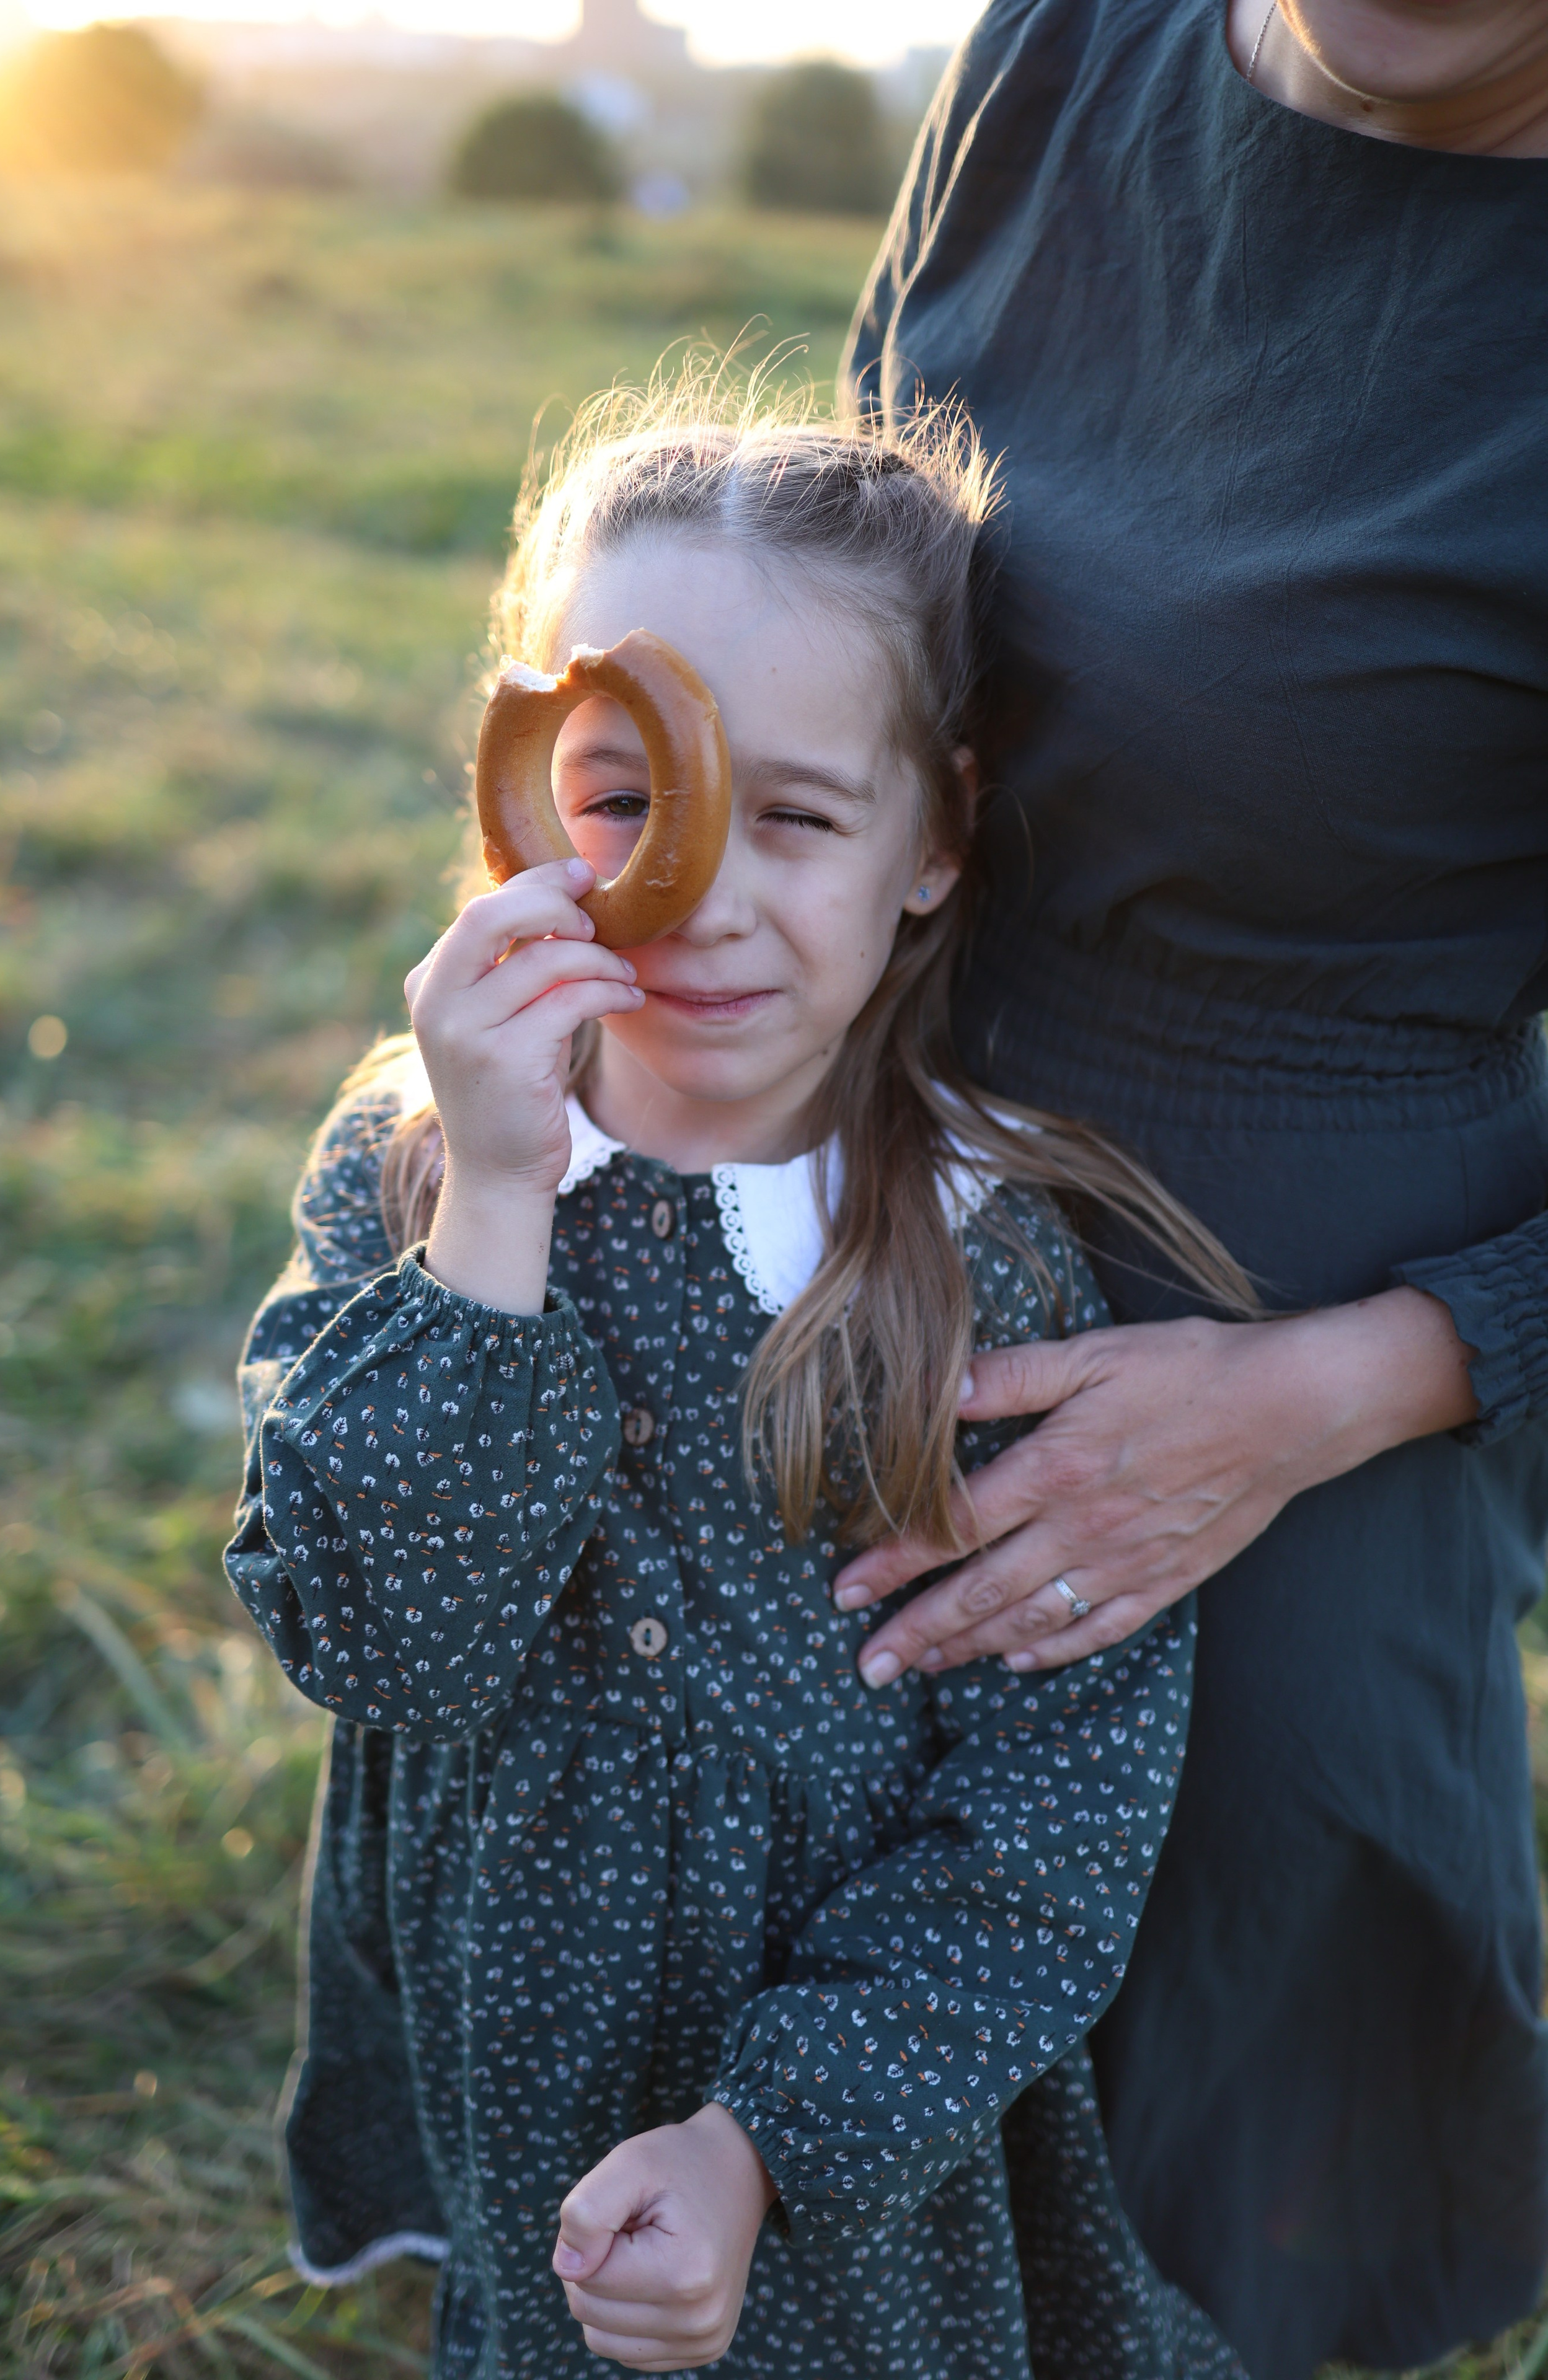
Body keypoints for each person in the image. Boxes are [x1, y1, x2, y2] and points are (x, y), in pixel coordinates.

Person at [226, 386, 1260, 2376]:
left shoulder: (984, 1256)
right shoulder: (414, 1164)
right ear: (517, 787)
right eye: (624, 799)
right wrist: (500, 1209)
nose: (695, 891)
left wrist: (771, 2138)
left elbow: (1055, 1817)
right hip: (507, 2006)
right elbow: (379, 1643)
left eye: (791, 817)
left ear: (937, 844)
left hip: (846, 2098)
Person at [838, 4, 1548, 2374]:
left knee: (1222, 2144)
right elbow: (837, 602)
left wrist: (1311, 1401)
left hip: (1322, 1318)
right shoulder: (1064, 40)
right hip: (865, 1133)